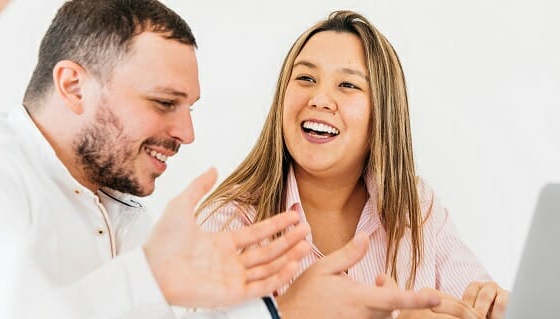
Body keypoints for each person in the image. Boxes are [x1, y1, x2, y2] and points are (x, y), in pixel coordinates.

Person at [0, 0, 315, 317]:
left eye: (189, 108)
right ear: (74, 87)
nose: (187, 132)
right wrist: (150, 278)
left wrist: (277, 310)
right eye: (165, 102)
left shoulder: (121, 206)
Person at [197, 10, 507, 319]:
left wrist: (497, 307)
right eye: (305, 78)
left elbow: (476, 302)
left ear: (381, 115)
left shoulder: (417, 207)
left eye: (347, 85)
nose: (319, 99)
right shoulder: (228, 222)